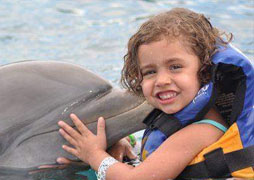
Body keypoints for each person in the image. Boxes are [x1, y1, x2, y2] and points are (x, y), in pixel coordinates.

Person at [57, 7, 254, 179]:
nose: (161, 81)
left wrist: (95, 155)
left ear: (204, 71)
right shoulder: (184, 116)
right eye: (150, 72)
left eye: (175, 67)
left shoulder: (202, 130)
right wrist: (125, 141)